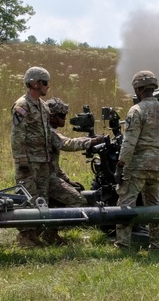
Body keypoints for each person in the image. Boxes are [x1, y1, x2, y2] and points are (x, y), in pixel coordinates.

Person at [115, 70, 159, 250]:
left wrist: (120, 165)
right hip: (156, 165)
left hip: (136, 165)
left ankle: (123, 244)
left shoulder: (136, 110)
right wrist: (156, 149)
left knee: (126, 203)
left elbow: (129, 142)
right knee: (154, 206)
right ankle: (156, 245)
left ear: (139, 89)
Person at [41, 98, 110, 245]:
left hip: (48, 176)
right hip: (44, 179)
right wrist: (91, 141)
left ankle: (50, 232)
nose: (64, 119)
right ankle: (50, 231)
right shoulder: (47, 132)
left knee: (71, 192)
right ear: (51, 115)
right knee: (78, 201)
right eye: (60, 116)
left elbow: (53, 164)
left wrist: (67, 181)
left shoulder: (47, 131)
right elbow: (66, 143)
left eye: (65, 116)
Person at [11, 66, 55, 248]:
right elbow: (17, 134)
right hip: (28, 161)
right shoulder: (22, 105)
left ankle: (36, 234)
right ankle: (25, 235)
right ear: (34, 84)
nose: (47, 87)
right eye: (44, 83)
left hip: (43, 160)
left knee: (42, 197)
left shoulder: (43, 106)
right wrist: (21, 159)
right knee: (27, 197)